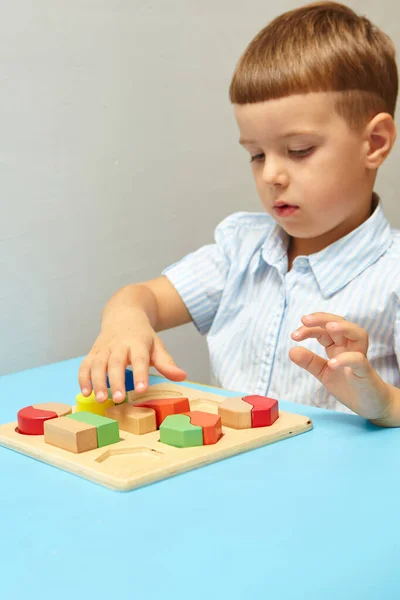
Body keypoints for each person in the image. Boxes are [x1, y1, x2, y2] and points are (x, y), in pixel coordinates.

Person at [78, 2, 400, 426]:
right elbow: (143, 297)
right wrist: (125, 320)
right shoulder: (241, 250)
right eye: (256, 154)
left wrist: (384, 404)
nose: (271, 175)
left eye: (299, 150)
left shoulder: (391, 278)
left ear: (374, 142)